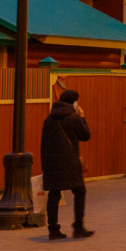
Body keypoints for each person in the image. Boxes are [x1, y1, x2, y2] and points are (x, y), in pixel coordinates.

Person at [41, 89, 93, 240]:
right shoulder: (74, 117)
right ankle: (78, 227)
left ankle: (53, 230)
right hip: (70, 162)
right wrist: (82, 117)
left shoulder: (49, 118)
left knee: (54, 194)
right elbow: (85, 136)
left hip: (51, 163)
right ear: (74, 102)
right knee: (80, 191)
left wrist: (45, 164)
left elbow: (44, 143)